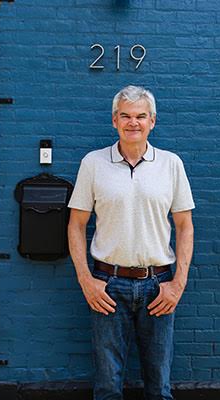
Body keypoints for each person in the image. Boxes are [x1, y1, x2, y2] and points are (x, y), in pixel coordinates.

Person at [67, 85, 195, 400]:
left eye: (140, 116)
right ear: (114, 121)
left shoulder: (171, 164)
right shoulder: (93, 163)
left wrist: (177, 284)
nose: (132, 122)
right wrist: (86, 280)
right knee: (108, 386)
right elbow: (76, 224)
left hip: (158, 285)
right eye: (125, 115)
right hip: (107, 286)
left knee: (159, 386)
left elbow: (185, 226)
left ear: (153, 121)